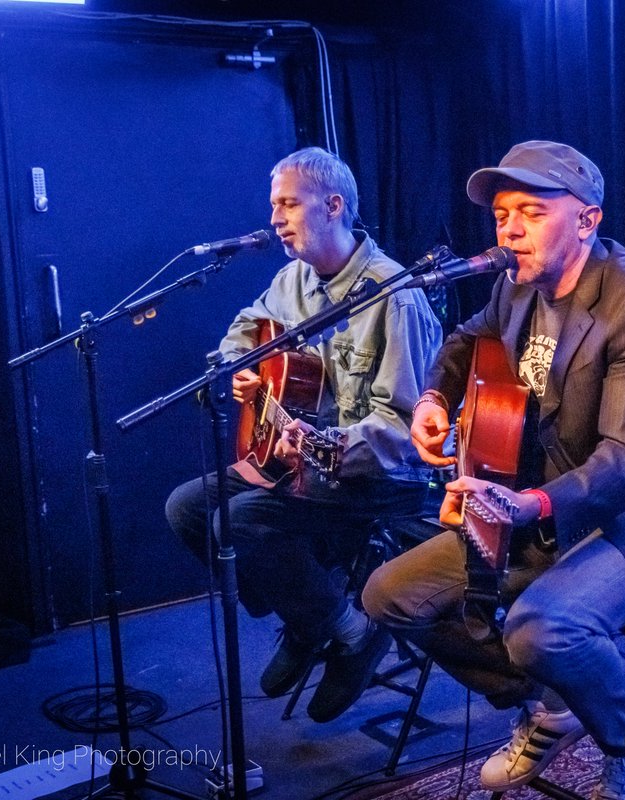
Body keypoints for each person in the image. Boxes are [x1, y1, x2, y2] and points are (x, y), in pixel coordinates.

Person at [362, 140, 625, 800]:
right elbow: (466, 339)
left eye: (531, 210)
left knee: (542, 628)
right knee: (389, 597)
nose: (510, 228)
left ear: (587, 219)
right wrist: (435, 397)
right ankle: (557, 703)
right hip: (526, 507)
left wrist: (531, 508)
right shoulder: (515, 285)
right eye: (500, 214)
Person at [166, 146, 442, 722]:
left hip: (379, 475)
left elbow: (401, 428)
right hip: (301, 459)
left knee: (239, 523)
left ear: (334, 206)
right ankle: (316, 617)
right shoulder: (291, 279)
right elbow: (245, 330)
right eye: (274, 206)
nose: (274, 219)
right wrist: (242, 366)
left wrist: (329, 447)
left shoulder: (396, 297)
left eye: (288, 204)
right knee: (186, 510)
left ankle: (349, 630)